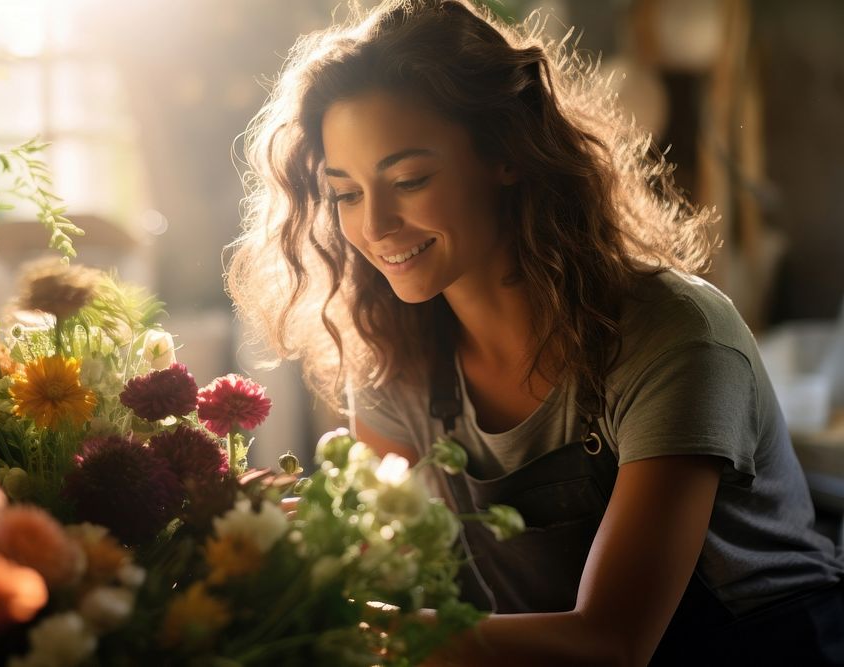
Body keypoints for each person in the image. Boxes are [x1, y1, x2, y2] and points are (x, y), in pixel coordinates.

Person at [226, 0, 844, 664]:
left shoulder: (674, 335)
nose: (373, 225)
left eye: (409, 179)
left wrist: (340, 626)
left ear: (505, 153)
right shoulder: (391, 360)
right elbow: (393, 572)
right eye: (345, 193)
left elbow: (612, 642)